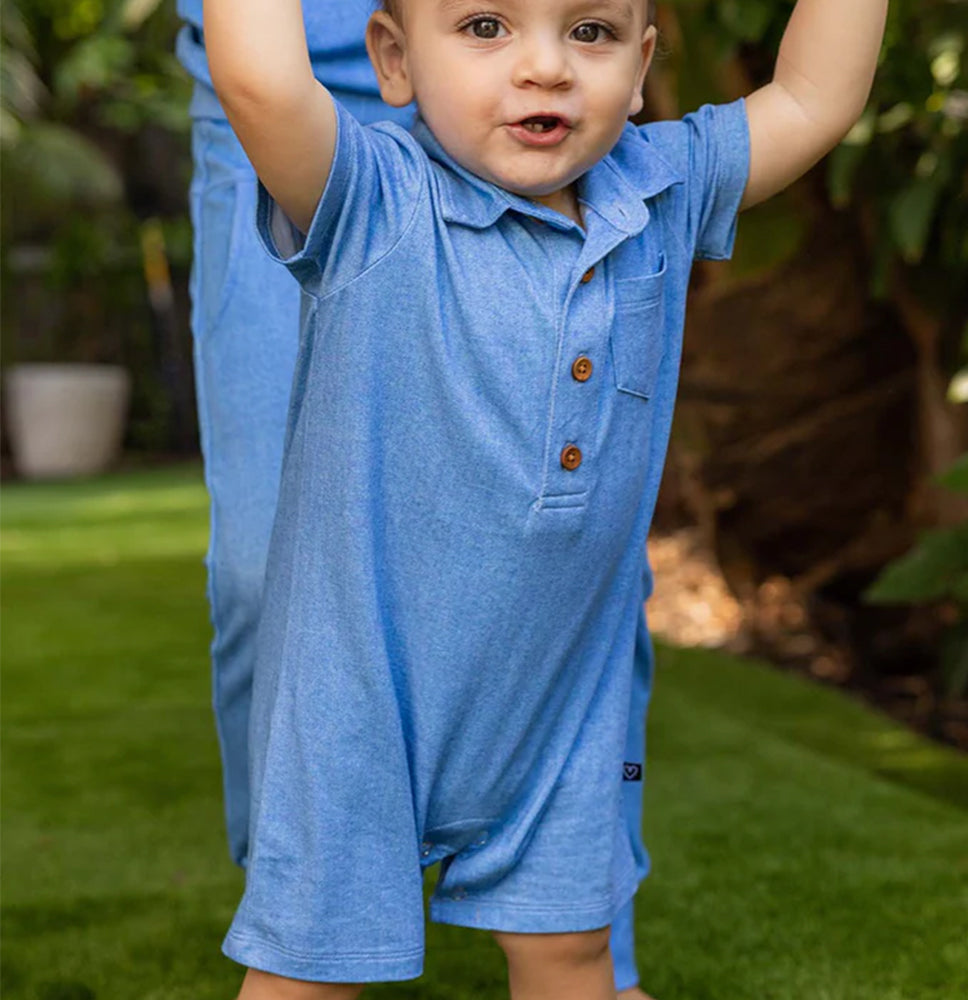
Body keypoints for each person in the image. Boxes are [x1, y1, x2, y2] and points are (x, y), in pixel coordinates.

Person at [203, 0, 887, 996]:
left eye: (591, 32)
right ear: (392, 59)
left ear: (644, 61)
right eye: (485, 26)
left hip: (563, 705)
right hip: (359, 709)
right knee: (309, 974)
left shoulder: (661, 187)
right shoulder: (370, 200)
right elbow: (261, 80)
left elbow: (816, 96)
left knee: (572, 957)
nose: (545, 68)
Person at [177, 0, 657, 994]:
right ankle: (317, 914)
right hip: (305, 56)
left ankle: (572, 935)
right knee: (267, 577)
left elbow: (804, 104)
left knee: (568, 556)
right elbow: (263, 80)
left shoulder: (617, 133)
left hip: (550, 77)